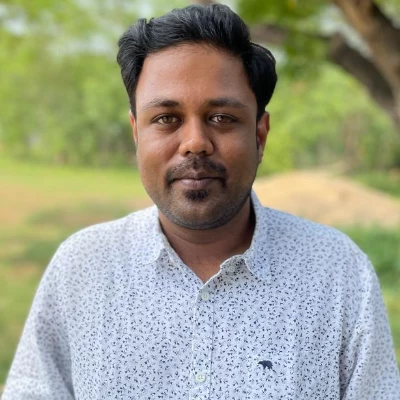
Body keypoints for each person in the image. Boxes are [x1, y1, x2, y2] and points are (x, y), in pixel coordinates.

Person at [3, 4, 400, 399]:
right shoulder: (82, 269)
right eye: (166, 118)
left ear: (259, 135)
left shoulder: (336, 273)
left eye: (222, 117)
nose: (195, 143)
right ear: (137, 133)